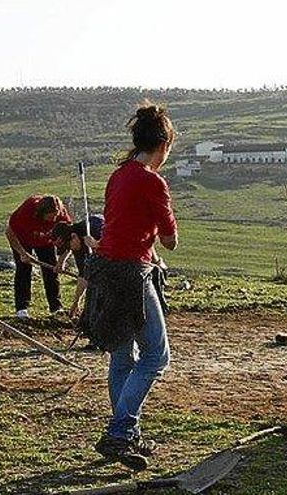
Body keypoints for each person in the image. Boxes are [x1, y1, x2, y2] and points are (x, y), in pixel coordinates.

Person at [85, 101, 178, 471]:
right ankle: (121, 430)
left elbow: (122, 224)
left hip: (103, 270)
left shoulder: (118, 175)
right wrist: (158, 236)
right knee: (156, 355)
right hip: (130, 275)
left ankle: (127, 432)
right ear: (163, 146)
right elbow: (171, 240)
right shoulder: (152, 180)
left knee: (122, 358)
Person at [5, 195, 72, 318]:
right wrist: (22, 253)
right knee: (23, 269)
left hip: (45, 242)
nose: (53, 219)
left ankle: (56, 307)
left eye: (55, 215)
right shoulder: (26, 211)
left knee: (51, 270)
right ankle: (22, 308)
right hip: (23, 240)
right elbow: (9, 232)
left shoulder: (62, 217)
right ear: (41, 213)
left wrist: (61, 261)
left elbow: (69, 240)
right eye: (51, 216)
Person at [52, 214, 105, 318]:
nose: (70, 250)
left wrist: (97, 244)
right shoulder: (77, 246)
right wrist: (76, 302)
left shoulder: (95, 228)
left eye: (69, 246)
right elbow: (83, 275)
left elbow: (116, 243)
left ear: (73, 237)